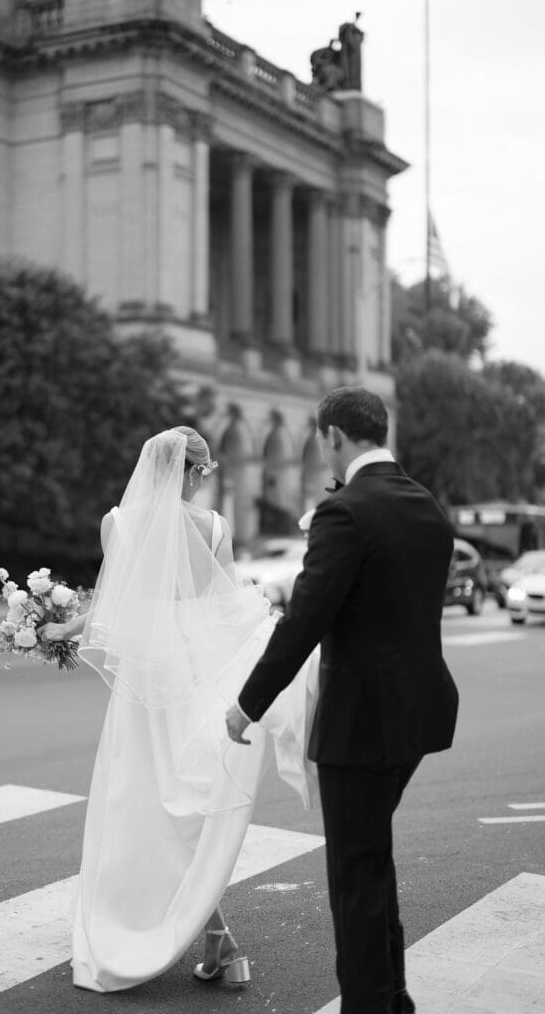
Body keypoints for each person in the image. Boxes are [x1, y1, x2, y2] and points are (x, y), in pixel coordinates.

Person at [41, 426, 314, 992]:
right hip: (193, 683)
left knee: (138, 807)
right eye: (201, 475)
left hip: (143, 690)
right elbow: (228, 609)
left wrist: (57, 627)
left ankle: (204, 936)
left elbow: (117, 604)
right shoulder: (215, 527)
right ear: (191, 473)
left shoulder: (118, 523)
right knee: (186, 810)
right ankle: (217, 938)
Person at [226, 387, 459, 1014]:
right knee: (371, 858)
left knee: (355, 875)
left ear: (333, 436)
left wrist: (247, 704)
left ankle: (370, 1005)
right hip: (420, 714)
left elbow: (304, 621)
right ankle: (394, 997)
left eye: (322, 442)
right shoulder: (426, 506)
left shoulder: (346, 512)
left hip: (362, 724)